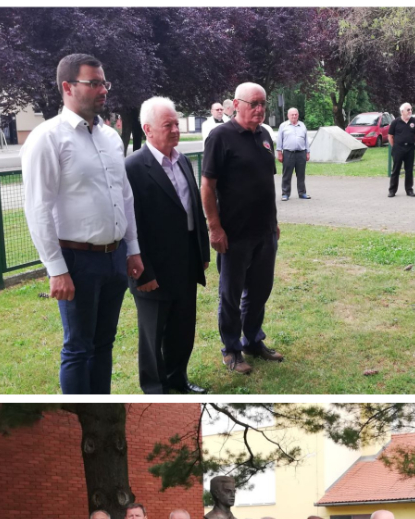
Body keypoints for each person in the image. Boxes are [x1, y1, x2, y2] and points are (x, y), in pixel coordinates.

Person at [20, 53, 144, 394]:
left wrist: (132, 249)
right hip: (76, 261)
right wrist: (56, 269)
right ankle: (81, 419)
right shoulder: (48, 138)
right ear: (67, 87)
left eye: (104, 82)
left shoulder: (111, 137)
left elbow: (125, 196)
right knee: (78, 348)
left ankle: (100, 404)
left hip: (115, 257)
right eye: (94, 83)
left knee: (104, 344)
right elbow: (37, 207)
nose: (103, 89)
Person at [126, 96, 210, 396]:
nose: (176, 130)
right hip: (153, 267)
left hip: (186, 261)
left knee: (182, 328)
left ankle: (178, 379)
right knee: (153, 333)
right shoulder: (134, 167)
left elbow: (194, 212)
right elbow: (130, 222)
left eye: (177, 123)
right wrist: (142, 271)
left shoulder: (182, 159)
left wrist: (202, 251)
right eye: (168, 125)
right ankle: (155, 388)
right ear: (148, 130)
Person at [202, 81, 284, 377]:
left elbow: (266, 183)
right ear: (236, 105)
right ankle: (231, 349)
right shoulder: (220, 137)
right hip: (233, 235)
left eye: (263, 104)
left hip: (263, 232)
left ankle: (252, 340)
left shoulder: (264, 136)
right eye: (254, 104)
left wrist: (273, 222)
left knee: (260, 290)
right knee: (231, 295)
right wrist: (214, 227)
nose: (260, 109)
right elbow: (207, 186)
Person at [277, 107, 311, 201]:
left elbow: (306, 140)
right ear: (288, 115)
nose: (294, 116)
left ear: (298, 115)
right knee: (287, 174)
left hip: (301, 153)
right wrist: (279, 152)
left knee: (301, 174)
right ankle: (285, 193)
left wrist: (307, 152)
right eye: (292, 114)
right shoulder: (283, 126)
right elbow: (279, 140)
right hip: (288, 153)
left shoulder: (302, 125)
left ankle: (302, 193)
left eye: (296, 114)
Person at [387, 103, 415, 198]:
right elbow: (390, 136)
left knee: (409, 170)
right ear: (402, 111)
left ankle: (409, 190)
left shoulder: (414, 121)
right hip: (398, 148)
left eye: (411, 109)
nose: (410, 111)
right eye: (408, 109)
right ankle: (392, 190)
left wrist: (411, 142)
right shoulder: (395, 122)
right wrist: (395, 146)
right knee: (396, 169)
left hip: (410, 148)